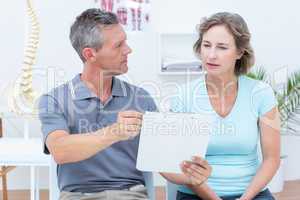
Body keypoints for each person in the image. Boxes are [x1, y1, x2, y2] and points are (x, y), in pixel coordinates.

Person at [38, 8, 211, 200]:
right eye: (118, 45)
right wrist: (114, 132)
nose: (128, 50)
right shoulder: (54, 100)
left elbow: (162, 163)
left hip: (131, 195)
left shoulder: (140, 98)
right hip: (78, 196)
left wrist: (191, 175)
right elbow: (60, 150)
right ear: (90, 54)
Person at [163, 12, 280, 200]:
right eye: (206, 45)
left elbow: (272, 159)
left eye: (222, 47)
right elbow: (176, 161)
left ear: (240, 52)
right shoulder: (183, 95)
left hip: (251, 194)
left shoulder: (261, 93)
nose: (211, 55)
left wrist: (245, 198)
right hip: (196, 194)